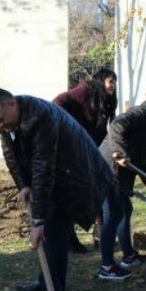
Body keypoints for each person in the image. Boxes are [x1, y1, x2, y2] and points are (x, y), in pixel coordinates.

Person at [0, 87, 115, 291]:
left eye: (0, 120)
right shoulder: (5, 118)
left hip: (75, 174)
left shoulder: (40, 117)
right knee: (52, 231)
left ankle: (54, 289)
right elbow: (11, 154)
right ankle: (45, 281)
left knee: (54, 229)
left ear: (12, 104)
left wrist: (38, 221)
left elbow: (43, 167)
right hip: (57, 174)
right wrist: (23, 185)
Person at [97, 90, 146, 280]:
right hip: (109, 168)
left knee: (124, 210)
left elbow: (140, 162)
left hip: (119, 171)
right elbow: (116, 126)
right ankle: (106, 267)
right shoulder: (144, 113)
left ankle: (128, 256)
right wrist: (120, 153)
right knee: (113, 214)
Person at [53, 68, 118, 253]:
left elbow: (103, 128)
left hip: (93, 149)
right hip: (74, 148)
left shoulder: (106, 99)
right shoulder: (85, 91)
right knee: (76, 193)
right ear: (100, 81)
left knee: (98, 188)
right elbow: (59, 102)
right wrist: (69, 129)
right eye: (110, 81)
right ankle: (70, 239)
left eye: (114, 81)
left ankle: (100, 235)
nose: (113, 85)